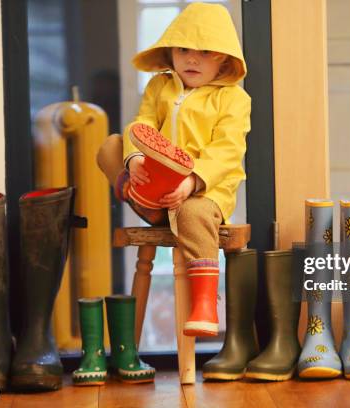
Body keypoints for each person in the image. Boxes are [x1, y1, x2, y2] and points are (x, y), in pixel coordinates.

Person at [97, 2, 251, 338]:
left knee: (194, 213)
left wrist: (193, 182)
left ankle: (206, 303)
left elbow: (228, 150)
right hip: (156, 183)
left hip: (203, 193)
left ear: (223, 58)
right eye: (183, 49)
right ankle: (141, 196)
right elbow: (143, 123)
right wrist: (134, 159)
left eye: (205, 51)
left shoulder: (233, 99)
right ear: (171, 51)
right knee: (110, 146)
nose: (192, 59)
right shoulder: (159, 87)